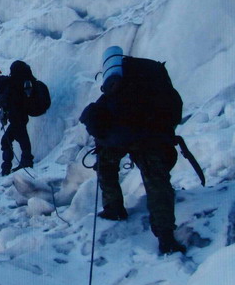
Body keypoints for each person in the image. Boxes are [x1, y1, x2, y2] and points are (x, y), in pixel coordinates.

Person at [79, 47, 188, 255]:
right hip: (145, 134)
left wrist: (104, 140)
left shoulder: (122, 91)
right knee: (156, 181)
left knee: (121, 168)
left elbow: (102, 121)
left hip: (142, 135)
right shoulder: (131, 88)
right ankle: (161, 235)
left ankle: (120, 212)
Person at [0, 61, 35, 176]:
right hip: (17, 116)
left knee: (18, 139)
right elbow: (6, 102)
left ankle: (24, 164)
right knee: (11, 140)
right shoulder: (3, 85)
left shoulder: (6, 84)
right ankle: (9, 168)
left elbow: (2, 99)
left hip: (18, 116)